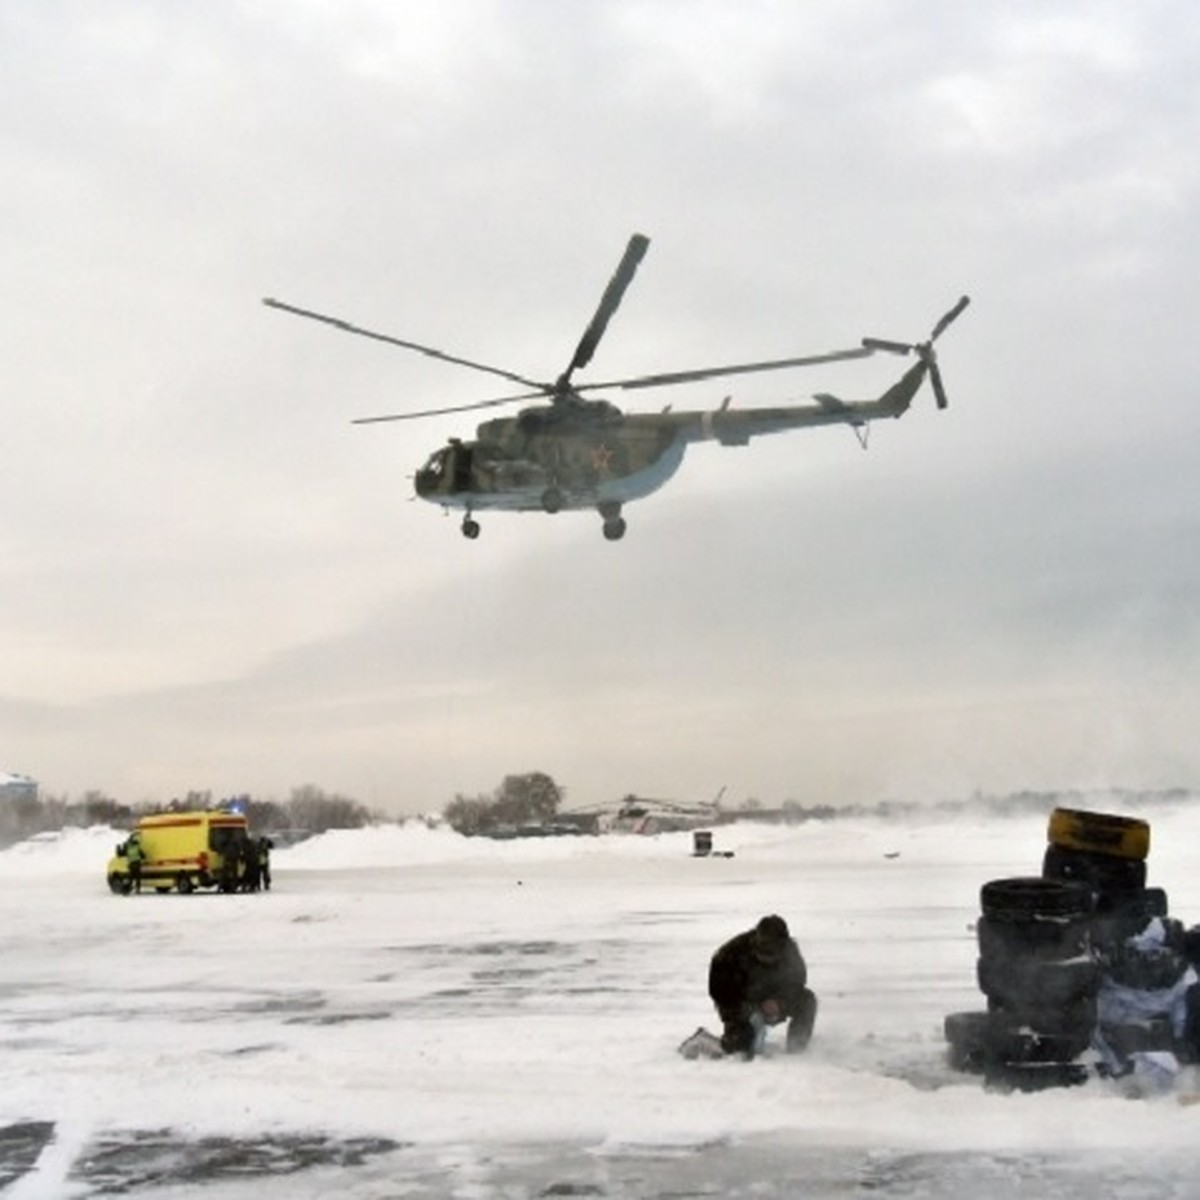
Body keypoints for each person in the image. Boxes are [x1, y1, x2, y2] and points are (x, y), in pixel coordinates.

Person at [708, 914, 818, 1058]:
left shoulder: (790, 951)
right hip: (739, 1003)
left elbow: (797, 982)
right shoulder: (730, 954)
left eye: (772, 954)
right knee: (741, 1047)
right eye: (762, 952)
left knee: (807, 1000)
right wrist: (748, 1009)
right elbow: (718, 990)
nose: (767, 958)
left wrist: (780, 1002)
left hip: (773, 999)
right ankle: (719, 1042)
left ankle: (797, 1049)